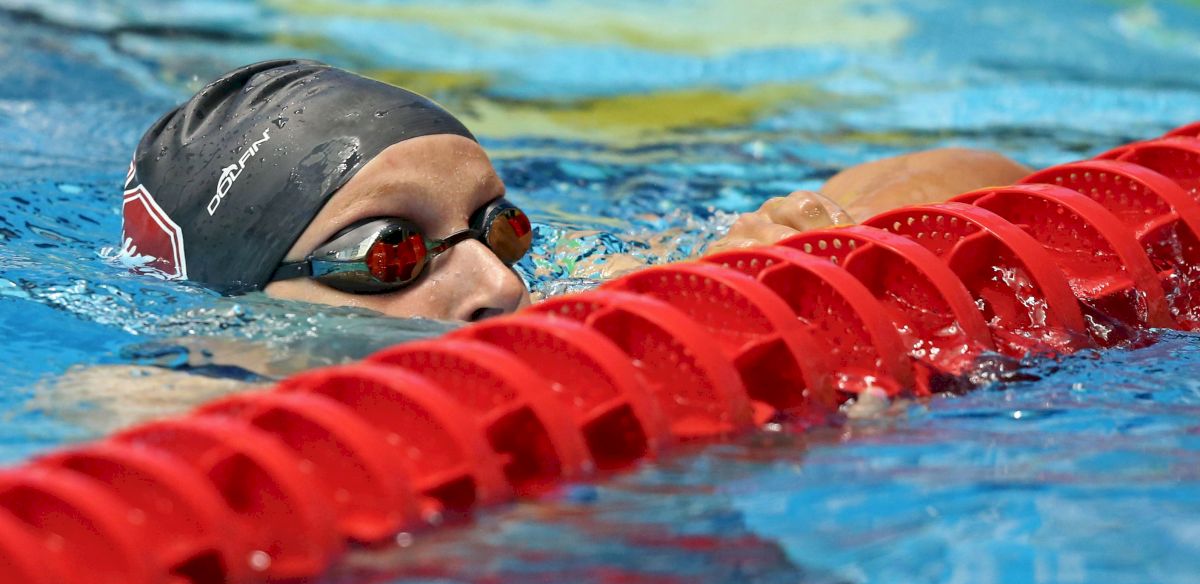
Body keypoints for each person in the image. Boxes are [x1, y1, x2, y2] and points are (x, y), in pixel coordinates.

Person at [120, 59, 1032, 323]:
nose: (501, 286)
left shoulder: (603, 301)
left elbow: (972, 173)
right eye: (387, 251)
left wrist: (811, 247)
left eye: (500, 228)